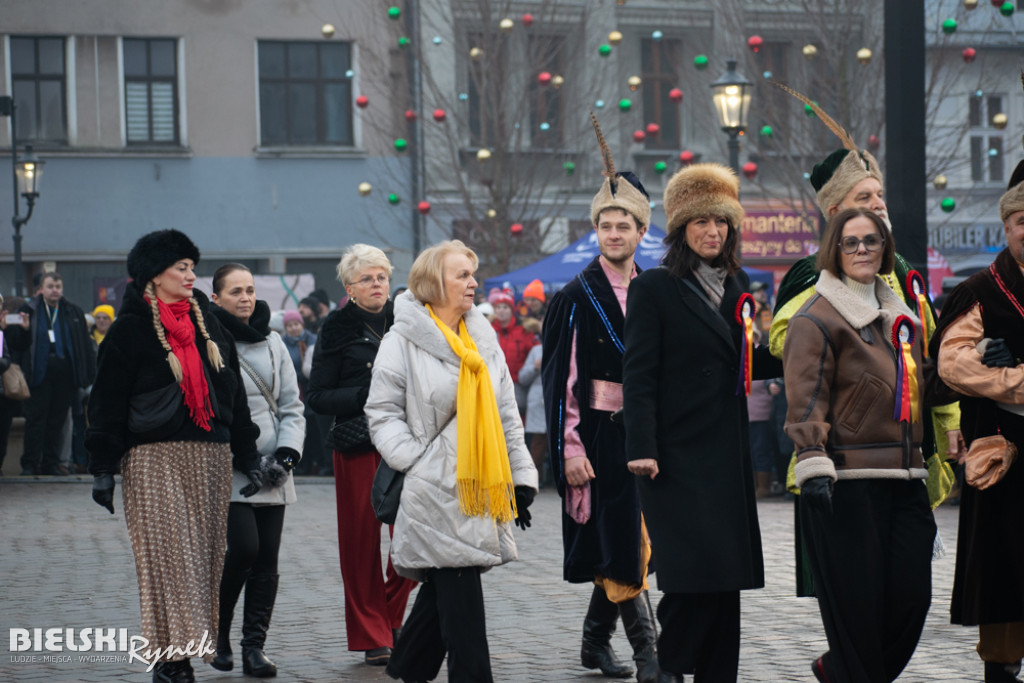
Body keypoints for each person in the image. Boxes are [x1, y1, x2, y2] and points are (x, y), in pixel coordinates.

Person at [622, 163, 780, 682]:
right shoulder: (655, 289)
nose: (713, 232)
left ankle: (717, 675)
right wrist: (640, 445)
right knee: (691, 577)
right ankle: (670, 667)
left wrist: (811, 352)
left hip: (726, 454)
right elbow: (638, 375)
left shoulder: (738, 283)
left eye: (722, 223)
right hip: (673, 457)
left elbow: (747, 359)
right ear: (682, 229)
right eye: (701, 223)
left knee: (725, 578)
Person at [86, 229, 264, 683]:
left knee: (202, 560)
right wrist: (103, 468)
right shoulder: (130, 329)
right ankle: (173, 660)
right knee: (169, 559)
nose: (191, 275)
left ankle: (174, 658)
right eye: (181, 267)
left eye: (192, 267)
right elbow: (105, 402)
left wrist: (246, 451)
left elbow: (233, 393)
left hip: (210, 456)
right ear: (154, 274)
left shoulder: (208, 320)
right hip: (154, 458)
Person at [365, 239, 538, 683]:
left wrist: (520, 479)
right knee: (461, 592)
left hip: (481, 482)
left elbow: (506, 415)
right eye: (462, 274)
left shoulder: (482, 337)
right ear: (432, 283)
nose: (473, 282)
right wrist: (416, 462)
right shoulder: (401, 340)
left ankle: (408, 668)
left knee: (446, 586)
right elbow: (381, 413)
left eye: (472, 274)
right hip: (430, 488)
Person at [783, 208, 937, 682]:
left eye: (871, 241)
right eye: (851, 242)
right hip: (846, 481)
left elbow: (919, 387)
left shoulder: (902, 316)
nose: (862, 250)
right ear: (835, 250)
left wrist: (960, 367)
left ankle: (840, 671)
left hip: (906, 476)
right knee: (859, 612)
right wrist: (811, 458)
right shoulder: (815, 317)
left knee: (913, 599)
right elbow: (806, 398)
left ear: (885, 248)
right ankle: (850, 671)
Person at [542, 116, 669, 683]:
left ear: (641, 231)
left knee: (636, 544)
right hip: (597, 434)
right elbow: (562, 380)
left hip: (648, 433)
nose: (613, 234)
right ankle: (650, 655)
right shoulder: (575, 296)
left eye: (624, 226)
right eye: (605, 225)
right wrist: (569, 447)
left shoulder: (657, 289)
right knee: (622, 543)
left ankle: (595, 643)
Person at [932, 155, 1024, 683]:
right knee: (1005, 577)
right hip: (1004, 458)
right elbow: (952, 364)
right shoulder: (980, 291)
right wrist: (1016, 380)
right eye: (1022, 222)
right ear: (1006, 226)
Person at [306, 244, 417, 667]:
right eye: (367, 278)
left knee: (412, 535)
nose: (377, 285)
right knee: (360, 543)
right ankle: (372, 633)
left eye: (382, 277)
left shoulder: (406, 319)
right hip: (358, 444)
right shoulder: (335, 329)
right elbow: (317, 396)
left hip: (407, 443)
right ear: (350, 287)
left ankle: (391, 615)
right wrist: (369, 396)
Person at [208, 264, 305, 677]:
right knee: (243, 549)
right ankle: (218, 633)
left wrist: (286, 458)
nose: (245, 298)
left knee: (267, 558)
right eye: (235, 292)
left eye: (249, 290)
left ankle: (254, 647)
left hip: (274, 470)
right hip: (230, 465)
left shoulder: (274, 343)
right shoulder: (207, 341)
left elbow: (291, 406)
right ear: (216, 299)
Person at [7, 271, 96, 476]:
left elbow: (84, 345)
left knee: (57, 421)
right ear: (41, 289)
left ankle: (51, 463)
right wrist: (24, 330)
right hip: (38, 375)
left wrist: (87, 374)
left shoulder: (72, 311)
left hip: (65, 376)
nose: (54, 290)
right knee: (35, 421)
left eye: (58, 287)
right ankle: (30, 463)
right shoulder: (27, 310)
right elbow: (15, 344)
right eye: (50, 287)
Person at [281, 309, 325, 476]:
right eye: (290, 325)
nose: (294, 328)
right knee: (298, 428)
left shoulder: (312, 340)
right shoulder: (283, 343)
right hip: (294, 389)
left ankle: (317, 463)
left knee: (314, 429)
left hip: (311, 389)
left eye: (296, 324)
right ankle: (299, 464)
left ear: (302, 324)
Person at [488, 286, 536, 413]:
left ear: (511, 310)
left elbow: (535, 354)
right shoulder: (488, 330)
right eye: (498, 307)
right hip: (492, 384)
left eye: (505, 307)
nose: (501, 311)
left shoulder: (524, 331)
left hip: (517, 386)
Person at [517, 318, 548, 486]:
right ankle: (534, 479)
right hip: (538, 403)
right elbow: (522, 377)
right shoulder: (536, 351)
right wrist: (535, 367)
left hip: (557, 403)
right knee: (537, 443)